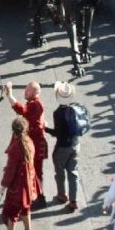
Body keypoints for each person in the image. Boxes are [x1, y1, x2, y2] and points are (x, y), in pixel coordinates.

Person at [0, 117, 36, 230]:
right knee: (25, 208)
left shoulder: (15, 148)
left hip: (17, 187)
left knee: (11, 213)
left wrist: (3, 185)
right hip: (28, 184)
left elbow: (11, 170)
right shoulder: (29, 143)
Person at [4, 81, 48, 208]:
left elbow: (22, 110)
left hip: (35, 145)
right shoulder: (35, 103)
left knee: (34, 171)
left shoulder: (34, 105)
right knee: (34, 171)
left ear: (34, 93)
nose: (25, 92)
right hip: (36, 143)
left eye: (28, 90)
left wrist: (10, 95)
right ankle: (36, 195)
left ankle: (38, 197)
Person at [51, 81, 81, 212]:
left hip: (63, 146)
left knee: (60, 172)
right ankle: (73, 201)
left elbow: (57, 133)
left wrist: (45, 128)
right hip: (75, 144)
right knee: (73, 172)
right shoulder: (75, 108)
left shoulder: (57, 113)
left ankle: (62, 195)